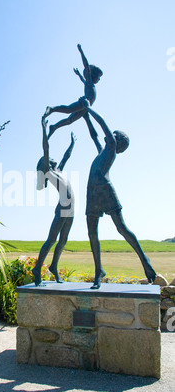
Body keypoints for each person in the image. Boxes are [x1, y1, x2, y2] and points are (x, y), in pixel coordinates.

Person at [81, 99, 156, 289]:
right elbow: (94, 134)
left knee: (121, 228)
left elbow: (103, 124)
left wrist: (88, 108)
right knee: (92, 232)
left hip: (106, 191)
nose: (111, 135)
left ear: (118, 141)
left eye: (114, 135)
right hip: (92, 193)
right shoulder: (102, 151)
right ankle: (99, 271)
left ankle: (144, 260)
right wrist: (85, 115)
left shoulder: (112, 148)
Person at [32, 117, 76, 286]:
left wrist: (72, 144)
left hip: (71, 207)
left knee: (63, 241)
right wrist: (44, 128)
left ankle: (54, 266)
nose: (52, 158)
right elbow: (46, 147)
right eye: (49, 158)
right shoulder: (48, 171)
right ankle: (37, 269)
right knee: (52, 239)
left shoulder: (60, 171)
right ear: (45, 163)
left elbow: (67, 156)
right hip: (63, 207)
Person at [44, 44, 103, 139]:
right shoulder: (89, 81)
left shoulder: (89, 83)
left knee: (69, 120)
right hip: (84, 102)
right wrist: (81, 51)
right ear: (92, 74)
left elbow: (81, 79)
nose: (99, 79)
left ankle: (54, 127)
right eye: (98, 77)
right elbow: (86, 65)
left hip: (85, 108)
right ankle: (52, 108)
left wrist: (78, 74)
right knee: (68, 110)